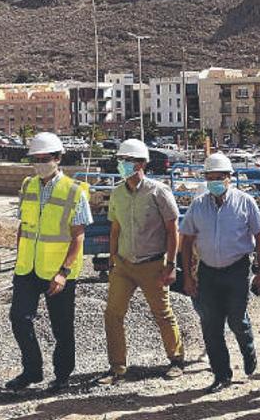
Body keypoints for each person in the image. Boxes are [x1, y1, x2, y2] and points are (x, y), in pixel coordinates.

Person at [7, 132, 93, 392]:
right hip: (27, 267)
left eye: (46, 158)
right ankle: (32, 371)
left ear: (58, 159)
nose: (41, 163)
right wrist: (19, 254)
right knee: (19, 318)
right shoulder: (28, 185)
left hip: (57, 271)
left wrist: (64, 272)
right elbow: (24, 226)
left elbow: (78, 237)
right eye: (36, 159)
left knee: (62, 327)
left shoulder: (74, 191)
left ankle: (63, 375)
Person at [179, 153, 260, 393]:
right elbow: (186, 241)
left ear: (230, 178)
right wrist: (188, 275)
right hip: (208, 271)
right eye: (211, 177)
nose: (215, 181)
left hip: (237, 269)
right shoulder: (198, 206)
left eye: (220, 177)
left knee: (237, 320)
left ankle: (248, 349)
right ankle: (222, 374)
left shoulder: (245, 202)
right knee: (210, 325)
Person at [98, 139, 185, 385]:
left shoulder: (158, 192)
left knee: (162, 313)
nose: (122, 165)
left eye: (128, 161)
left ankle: (177, 360)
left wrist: (170, 264)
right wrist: (112, 260)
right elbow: (115, 229)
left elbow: (172, 229)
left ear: (141, 164)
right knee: (112, 314)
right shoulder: (117, 193)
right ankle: (117, 368)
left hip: (152, 264)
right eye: (121, 160)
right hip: (124, 265)